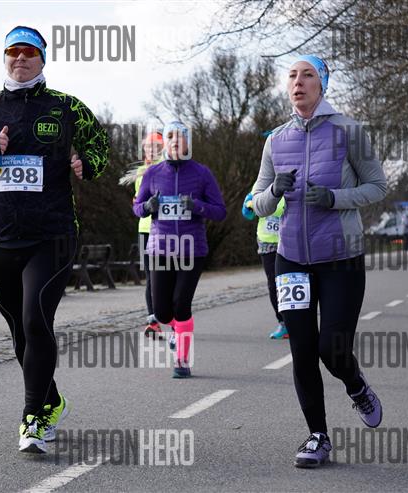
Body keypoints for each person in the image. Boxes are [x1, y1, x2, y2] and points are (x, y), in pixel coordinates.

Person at [0, 26, 109, 454]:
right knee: (19, 329)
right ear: (4, 58)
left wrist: (86, 163)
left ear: (42, 59)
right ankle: (52, 400)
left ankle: (33, 417)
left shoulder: (67, 107)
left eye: (29, 52)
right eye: (13, 51)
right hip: (1, 236)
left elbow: (100, 147)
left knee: (36, 319)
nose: (20, 58)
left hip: (53, 234)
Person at [250, 55, 387, 468]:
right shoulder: (275, 140)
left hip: (341, 257)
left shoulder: (349, 131)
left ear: (322, 84)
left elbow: (377, 186)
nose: (298, 82)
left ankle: (356, 386)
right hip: (290, 258)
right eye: (292, 76)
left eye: (307, 75)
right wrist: (274, 190)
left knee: (332, 348)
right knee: (304, 350)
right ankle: (317, 437)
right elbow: (257, 204)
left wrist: (334, 198)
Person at [133, 120, 226, 378]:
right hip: (160, 249)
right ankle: (177, 329)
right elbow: (137, 207)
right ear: (166, 142)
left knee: (181, 304)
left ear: (188, 143)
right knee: (162, 312)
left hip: (191, 249)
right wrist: (147, 207)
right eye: (171, 136)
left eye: (181, 136)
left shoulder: (202, 173)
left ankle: (182, 361)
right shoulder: (152, 173)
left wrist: (197, 206)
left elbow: (220, 212)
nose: (175, 141)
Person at [242, 194, 288, 339]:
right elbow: (248, 214)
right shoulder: (260, 185)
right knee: (273, 284)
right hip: (267, 241)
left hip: (289, 240)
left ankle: (298, 320)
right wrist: (249, 207)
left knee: (290, 281)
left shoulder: (294, 184)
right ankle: (283, 323)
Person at [134, 131, 165, 338]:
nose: (151, 150)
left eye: (156, 147)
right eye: (148, 147)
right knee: (150, 278)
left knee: (167, 276)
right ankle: (153, 322)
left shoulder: (169, 168)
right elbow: (138, 201)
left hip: (165, 229)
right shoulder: (140, 172)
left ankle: (174, 319)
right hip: (145, 229)